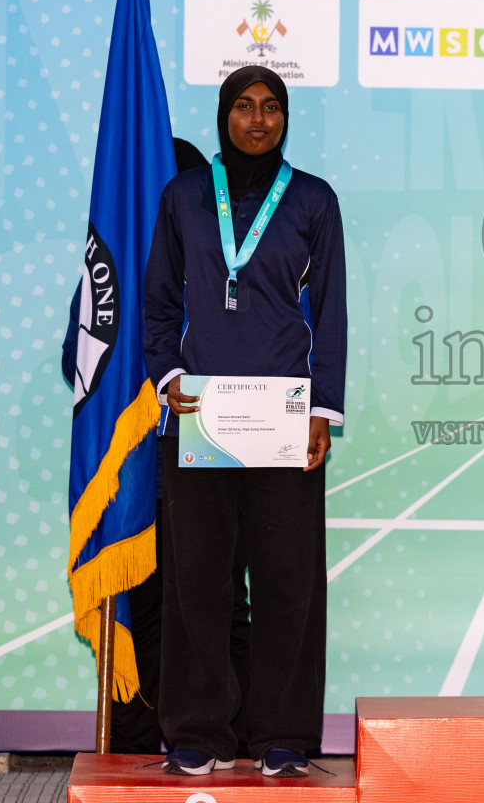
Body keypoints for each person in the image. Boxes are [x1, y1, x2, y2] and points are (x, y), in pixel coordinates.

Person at [142, 65, 347, 777]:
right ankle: (198, 730)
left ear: (284, 117)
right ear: (223, 115)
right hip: (200, 413)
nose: (258, 120)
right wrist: (168, 378)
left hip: (285, 417)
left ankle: (282, 734)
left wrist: (323, 409)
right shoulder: (185, 197)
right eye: (243, 107)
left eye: (271, 108)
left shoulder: (314, 200)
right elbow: (159, 303)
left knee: (288, 579)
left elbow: (332, 313)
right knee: (198, 579)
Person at [61, 138, 252, 757]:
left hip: (216, 463)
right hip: (141, 488)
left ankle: (232, 745)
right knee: (145, 620)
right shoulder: (113, 267)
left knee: (224, 614)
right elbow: (80, 359)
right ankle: (140, 757)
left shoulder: (231, 261)